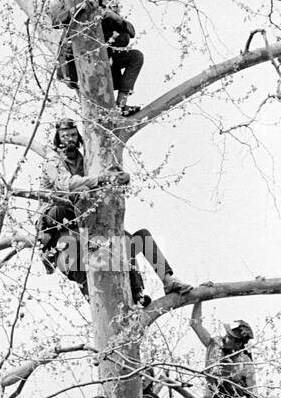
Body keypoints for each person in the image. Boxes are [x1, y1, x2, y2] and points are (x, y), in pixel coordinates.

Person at [38, 118, 191, 303]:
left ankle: (158, 285)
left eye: (72, 135)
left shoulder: (84, 159)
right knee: (79, 199)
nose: (69, 139)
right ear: (58, 138)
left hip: (83, 221)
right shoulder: (53, 160)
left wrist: (119, 178)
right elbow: (66, 185)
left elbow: (103, 177)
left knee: (133, 238)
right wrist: (101, 179)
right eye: (65, 136)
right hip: (56, 218)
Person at [48, 0, 144, 114]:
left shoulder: (105, 12)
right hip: (75, 65)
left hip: (102, 63)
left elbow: (130, 33)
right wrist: (79, 8)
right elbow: (55, 21)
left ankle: (121, 104)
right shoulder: (64, 0)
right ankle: (90, 110)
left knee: (135, 55)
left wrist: (115, 17)